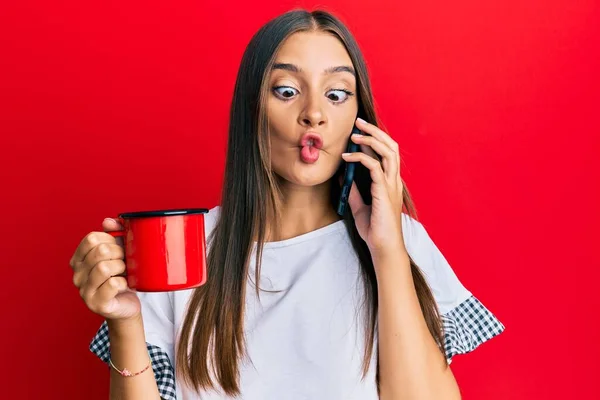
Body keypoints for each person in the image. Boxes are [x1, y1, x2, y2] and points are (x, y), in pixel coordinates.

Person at [70, 9, 504, 400]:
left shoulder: (398, 240)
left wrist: (387, 251)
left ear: (359, 119)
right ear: (252, 109)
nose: (314, 113)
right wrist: (125, 320)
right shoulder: (181, 247)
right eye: (286, 90)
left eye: (336, 94)